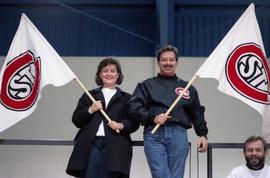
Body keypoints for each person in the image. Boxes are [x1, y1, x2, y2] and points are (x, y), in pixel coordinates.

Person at [128, 44, 208, 178]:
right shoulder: (146, 85)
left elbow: (197, 113)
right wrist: (153, 117)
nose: (168, 63)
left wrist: (203, 134)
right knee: (160, 175)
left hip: (179, 134)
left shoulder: (188, 88)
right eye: (164, 60)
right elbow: (134, 108)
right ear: (158, 61)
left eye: (171, 60)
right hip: (154, 135)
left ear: (177, 62)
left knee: (176, 176)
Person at [66, 58, 139, 178]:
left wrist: (121, 125)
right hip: (91, 143)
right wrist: (90, 109)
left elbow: (134, 123)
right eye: (105, 71)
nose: (109, 74)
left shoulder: (126, 98)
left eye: (112, 71)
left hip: (116, 145)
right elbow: (76, 120)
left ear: (118, 74)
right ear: (100, 74)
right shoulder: (89, 95)